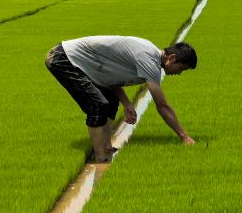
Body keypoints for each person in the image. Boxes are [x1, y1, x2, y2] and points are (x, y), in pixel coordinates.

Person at [45, 35, 197, 163]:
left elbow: (111, 79)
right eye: (181, 68)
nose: (179, 73)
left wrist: (127, 104)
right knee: (98, 105)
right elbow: (162, 105)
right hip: (64, 59)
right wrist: (184, 136)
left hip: (81, 63)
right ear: (171, 58)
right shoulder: (149, 60)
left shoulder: (150, 56)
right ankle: (100, 158)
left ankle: (106, 147)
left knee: (111, 101)